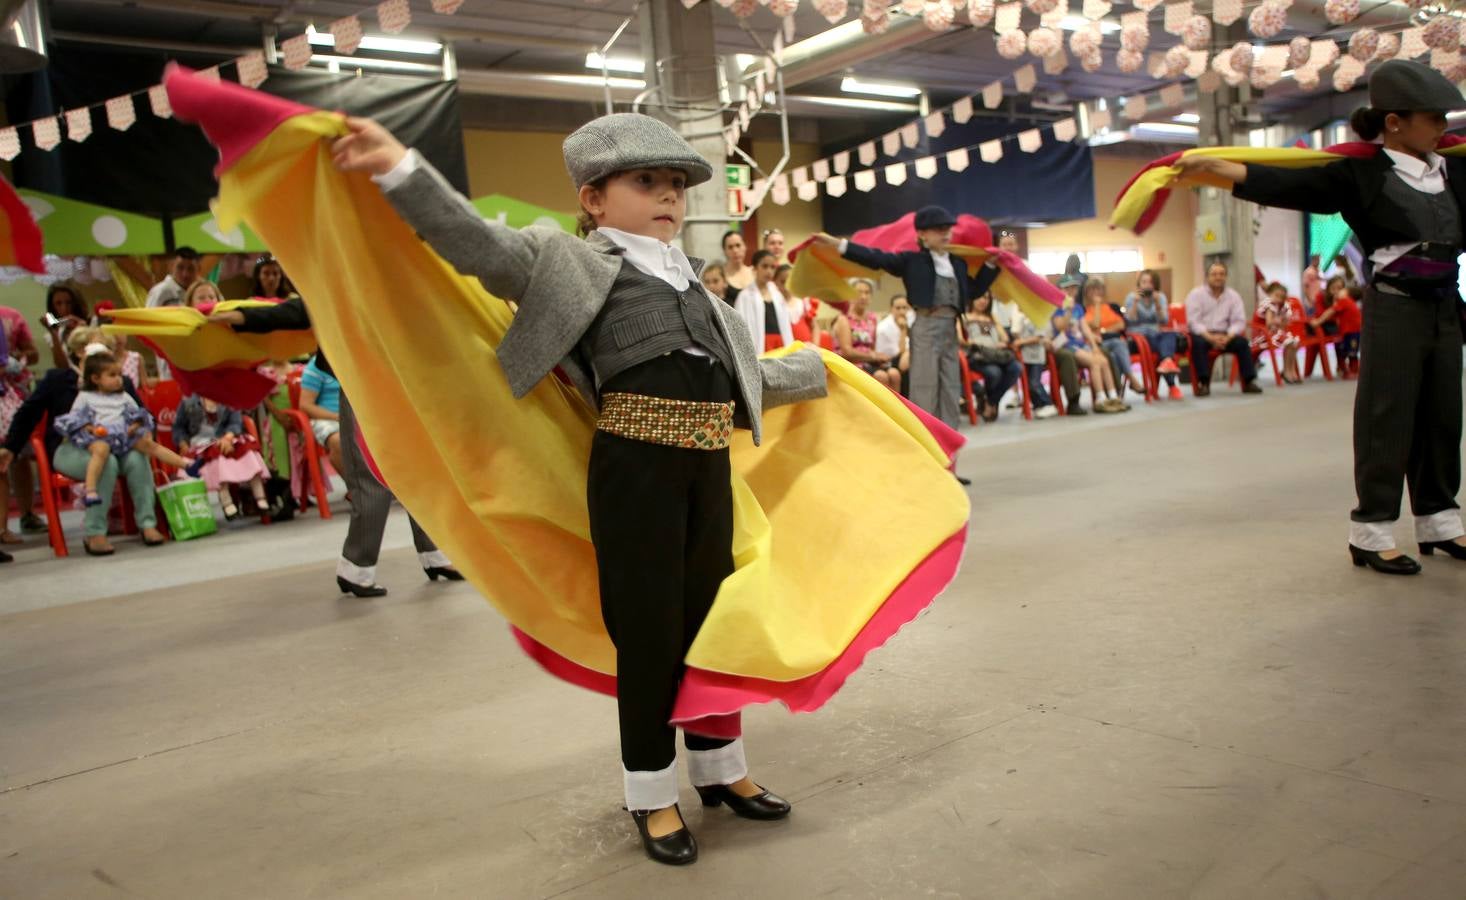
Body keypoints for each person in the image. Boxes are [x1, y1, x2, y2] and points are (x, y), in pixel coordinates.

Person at [332, 110, 827, 866]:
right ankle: (652, 794)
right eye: (644, 181)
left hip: (707, 471)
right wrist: (401, 165)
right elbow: (475, 244)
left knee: (715, 620)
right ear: (593, 200)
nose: (668, 196)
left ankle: (721, 772)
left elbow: (743, 381)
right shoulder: (568, 261)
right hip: (634, 472)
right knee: (651, 636)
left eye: (675, 183)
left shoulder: (693, 278)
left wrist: (827, 374)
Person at [1180, 59, 1466, 575]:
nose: (1443, 127)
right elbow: (1297, 185)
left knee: (1444, 414)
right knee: (1388, 414)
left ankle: (1440, 518)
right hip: (1395, 306)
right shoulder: (1362, 173)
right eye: (1432, 117)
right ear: (1394, 122)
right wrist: (1227, 174)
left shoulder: (1452, 169)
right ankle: (1372, 528)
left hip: (1445, 306)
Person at [211, 301, 464, 597]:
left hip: (402, 384)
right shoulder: (344, 275)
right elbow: (301, 309)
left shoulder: (387, 272)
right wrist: (243, 317)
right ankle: (355, 569)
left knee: (421, 474)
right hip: (362, 386)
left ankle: (435, 556)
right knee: (371, 482)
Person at [812, 205, 1000, 432]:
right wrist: (839, 245)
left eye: (947, 228)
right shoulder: (912, 261)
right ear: (922, 234)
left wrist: (990, 265)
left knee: (951, 386)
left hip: (950, 328)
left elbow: (972, 291)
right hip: (925, 326)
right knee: (925, 386)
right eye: (938, 229)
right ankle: (927, 443)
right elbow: (875, 257)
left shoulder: (958, 263)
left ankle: (950, 446)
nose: (945, 233)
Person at [53, 347, 201, 509]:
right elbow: (76, 419)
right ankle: (90, 490)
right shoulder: (85, 397)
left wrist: (135, 426)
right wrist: (91, 429)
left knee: (149, 445)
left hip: (122, 435)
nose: (119, 379)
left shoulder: (123, 396)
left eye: (119, 375)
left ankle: (186, 465)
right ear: (95, 378)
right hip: (99, 436)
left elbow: (137, 414)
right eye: (112, 375)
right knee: (100, 451)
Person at [173, 394, 270, 519]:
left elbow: (235, 423)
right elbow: (178, 427)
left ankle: (260, 496)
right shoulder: (188, 402)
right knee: (217, 458)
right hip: (201, 443)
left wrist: (228, 437)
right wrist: (182, 443)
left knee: (248, 451)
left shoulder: (228, 397)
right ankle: (226, 502)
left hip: (227, 438)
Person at [1182, 261, 1263, 396]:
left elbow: (1239, 321)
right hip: (1203, 334)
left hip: (1226, 334)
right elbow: (1193, 322)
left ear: (1225, 276)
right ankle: (1203, 383)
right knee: (1198, 344)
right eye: (1214, 274)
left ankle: (1249, 382)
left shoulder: (1233, 296)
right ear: (1207, 277)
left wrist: (1229, 336)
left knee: (1242, 343)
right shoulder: (1196, 295)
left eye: (1221, 274)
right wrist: (1210, 337)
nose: (1218, 277)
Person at [1052, 275, 1126, 413]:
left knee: (1103, 360)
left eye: (1073, 288)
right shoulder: (1058, 308)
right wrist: (1068, 310)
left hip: (1081, 344)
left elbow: (1085, 328)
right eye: (1066, 289)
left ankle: (1114, 396)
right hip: (1068, 346)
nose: (1070, 292)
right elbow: (1060, 326)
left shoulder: (1078, 308)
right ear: (1060, 291)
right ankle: (1100, 398)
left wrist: (1094, 345)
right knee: (1095, 363)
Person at [0, 304, 41, 547]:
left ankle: (14, 520)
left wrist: (14, 362)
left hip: (6, 396)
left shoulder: (10, 316)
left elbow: (30, 353)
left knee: (10, 456)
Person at [1124, 269, 1184, 399]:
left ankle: (1167, 361)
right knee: (1163, 347)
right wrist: (1134, 303)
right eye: (1143, 282)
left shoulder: (1160, 297)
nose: (1146, 285)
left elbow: (1164, 320)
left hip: (1156, 334)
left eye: (1150, 282)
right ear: (1139, 284)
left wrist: (1157, 303)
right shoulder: (1132, 297)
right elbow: (1130, 320)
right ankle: (1172, 385)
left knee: (1171, 335)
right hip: (1138, 337)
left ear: (1154, 284)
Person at [962, 292, 1022, 421]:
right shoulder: (964, 317)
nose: (983, 301)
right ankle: (990, 403)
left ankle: (990, 402)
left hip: (996, 355)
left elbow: (1005, 338)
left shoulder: (992, 317)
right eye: (980, 296)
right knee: (994, 373)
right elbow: (961, 340)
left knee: (1016, 367)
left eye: (986, 298)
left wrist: (998, 341)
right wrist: (977, 344)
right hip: (977, 356)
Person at [1082, 279, 1146, 398]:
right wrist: (1096, 306)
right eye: (1093, 289)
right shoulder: (1084, 310)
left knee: (1119, 345)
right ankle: (1123, 384)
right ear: (1087, 293)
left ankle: (1128, 379)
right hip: (1097, 344)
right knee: (1112, 355)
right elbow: (1094, 324)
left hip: (1114, 340)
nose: (1096, 292)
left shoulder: (1111, 307)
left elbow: (1121, 324)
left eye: (1099, 289)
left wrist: (1103, 330)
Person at [835, 277, 899, 391]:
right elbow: (847, 351)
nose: (863, 296)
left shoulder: (872, 318)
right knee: (881, 376)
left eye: (867, 293)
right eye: (859, 292)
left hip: (868, 362)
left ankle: (896, 409)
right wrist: (873, 356)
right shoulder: (844, 319)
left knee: (894, 374)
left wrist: (878, 357)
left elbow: (871, 347)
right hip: (851, 363)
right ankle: (878, 409)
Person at [297, 354, 345, 482]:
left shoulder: (351, 361)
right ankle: (358, 488)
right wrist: (337, 417)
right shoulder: (316, 366)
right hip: (327, 418)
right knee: (339, 441)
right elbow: (305, 405)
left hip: (354, 416)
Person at [733, 249, 793, 352]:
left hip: (780, 343)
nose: (769, 271)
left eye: (772, 267)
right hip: (760, 344)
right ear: (755, 268)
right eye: (764, 266)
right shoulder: (745, 296)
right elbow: (739, 328)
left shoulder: (777, 295)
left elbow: (786, 325)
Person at [1254, 281, 1303, 384]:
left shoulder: (1280, 306)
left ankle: (1290, 370)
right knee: (1289, 342)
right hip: (1263, 335)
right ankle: (1286, 372)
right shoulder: (1269, 305)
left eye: (1281, 297)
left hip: (1273, 333)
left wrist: (1283, 320)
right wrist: (1278, 320)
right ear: (1269, 294)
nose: (1278, 299)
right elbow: (1269, 323)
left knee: (1294, 343)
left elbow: (1282, 325)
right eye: (1276, 295)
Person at [40, 284, 90, 369]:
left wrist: (85, 330)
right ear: (52, 307)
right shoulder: (54, 333)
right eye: (58, 304)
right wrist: (53, 333)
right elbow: (62, 367)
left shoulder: (91, 324)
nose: (64, 308)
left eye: (69, 303)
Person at [774, 263, 822, 346]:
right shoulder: (774, 304)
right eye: (783, 282)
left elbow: (814, 327)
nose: (786, 287)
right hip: (785, 350)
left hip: (807, 348)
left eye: (790, 282)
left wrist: (815, 346)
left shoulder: (804, 301)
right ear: (775, 282)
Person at [721, 229, 753, 296]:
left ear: (745, 247)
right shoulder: (720, 275)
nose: (735, 251)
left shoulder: (754, 272)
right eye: (730, 247)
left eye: (738, 245)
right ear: (724, 251)